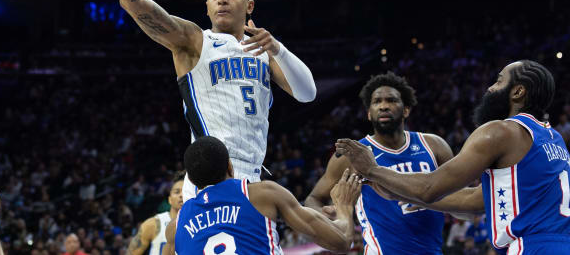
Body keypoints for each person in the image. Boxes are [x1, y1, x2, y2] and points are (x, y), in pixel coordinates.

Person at [93, 0, 317, 200]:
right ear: (207, 7)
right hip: (207, 175)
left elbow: (308, 94)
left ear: (249, 6)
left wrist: (279, 49)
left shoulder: (265, 51)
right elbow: (133, 1)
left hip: (253, 177)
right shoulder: (194, 41)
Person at [336, 60, 570, 254]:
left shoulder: (499, 131)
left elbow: (430, 187)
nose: (490, 88)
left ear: (518, 91)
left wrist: (373, 170)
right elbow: (477, 201)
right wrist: (402, 193)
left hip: (532, 246)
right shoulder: (553, 139)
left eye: (499, 81)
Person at [305, 71, 454, 254]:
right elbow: (313, 199)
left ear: (406, 109)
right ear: (369, 113)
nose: (383, 106)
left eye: (391, 100)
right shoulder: (352, 155)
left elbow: (462, 197)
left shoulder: (434, 146)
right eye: (377, 102)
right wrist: (325, 216)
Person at [162, 136, 361, 255]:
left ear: (192, 182)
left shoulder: (175, 227)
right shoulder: (262, 194)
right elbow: (341, 242)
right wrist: (344, 207)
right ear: (230, 167)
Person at [127, 171, 184, 255]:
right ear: (169, 200)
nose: (181, 195)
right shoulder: (154, 224)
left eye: (184, 192)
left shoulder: (202, 224)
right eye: (177, 192)